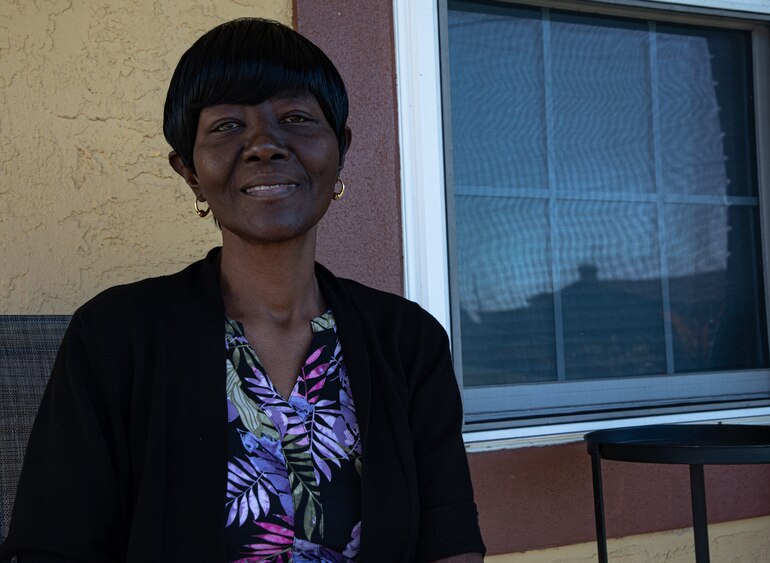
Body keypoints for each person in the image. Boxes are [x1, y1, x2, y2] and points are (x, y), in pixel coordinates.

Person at [0, 18, 485, 563]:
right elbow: (53, 545)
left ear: (341, 149)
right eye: (227, 126)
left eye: (296, 118)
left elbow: (450, 540)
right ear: (188, 170)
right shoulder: (113, 337)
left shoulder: (409, 340)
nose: (264, 145)